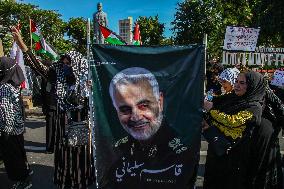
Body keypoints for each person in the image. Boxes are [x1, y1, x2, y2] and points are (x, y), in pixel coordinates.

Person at [12, 27, 95, 189]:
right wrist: (22, 45)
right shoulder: (58, 78)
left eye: (68, 63)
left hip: (81, 131)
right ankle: (65, 182)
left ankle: (81, 182)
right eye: (63, 62)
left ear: (77, 64)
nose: (64, 66)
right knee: (64, 159)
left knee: (80, 160)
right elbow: (37, 66)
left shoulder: (89, 84)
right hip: (62, 129)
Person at [104, 67, 200, 189]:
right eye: (125, 110)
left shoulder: (183, 151)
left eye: (144, 105)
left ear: (160, 102)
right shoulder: (116, 151)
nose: (136, 117)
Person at [202, 70, 266, 189]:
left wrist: (211, 110)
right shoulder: (231, 98)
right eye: (236, 81)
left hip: (234, 157)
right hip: (217, 153)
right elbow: (215, 108)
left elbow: (232, 121)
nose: (236, 85)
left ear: (252, 86)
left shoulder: (254, 106)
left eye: (242, 83)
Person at [0, 56, 32, 189]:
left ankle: (22, 181)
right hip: (17, 127)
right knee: (19, 153)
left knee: (13, 158)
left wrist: (5, 131)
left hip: (9, 128)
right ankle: (25, 173)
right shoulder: (13, 84)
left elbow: (6, 111)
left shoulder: (5, 87)